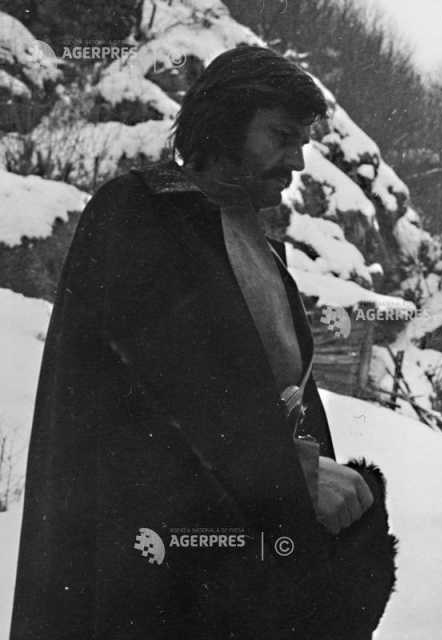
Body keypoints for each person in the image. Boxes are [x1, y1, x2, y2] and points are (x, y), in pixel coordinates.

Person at [11, 45, 396, 639]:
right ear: (224, 121)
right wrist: (292, 476)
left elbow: (281, 407)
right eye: (281, 136)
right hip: (146, 580)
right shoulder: (137, 213)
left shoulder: (264, 251)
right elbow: (148, 410)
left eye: (303, 142)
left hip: (240, 576)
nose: (297, 161)